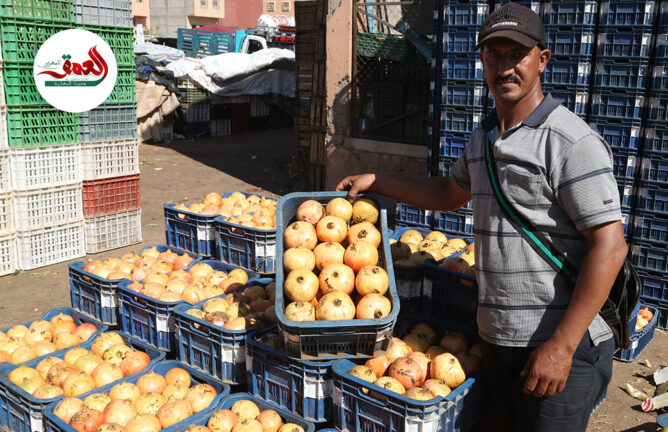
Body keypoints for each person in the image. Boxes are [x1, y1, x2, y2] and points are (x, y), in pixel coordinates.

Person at [336, 3, 628, 431]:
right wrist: (379, 180)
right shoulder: (484, 137)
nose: (505, 66)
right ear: (482, 61)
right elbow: (449, 192)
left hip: (555, 343)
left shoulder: (571, 142)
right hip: (498, 340)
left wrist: (561, 348)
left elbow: (611, 244)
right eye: (494, 55)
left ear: (541, 60)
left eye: (517, 54)